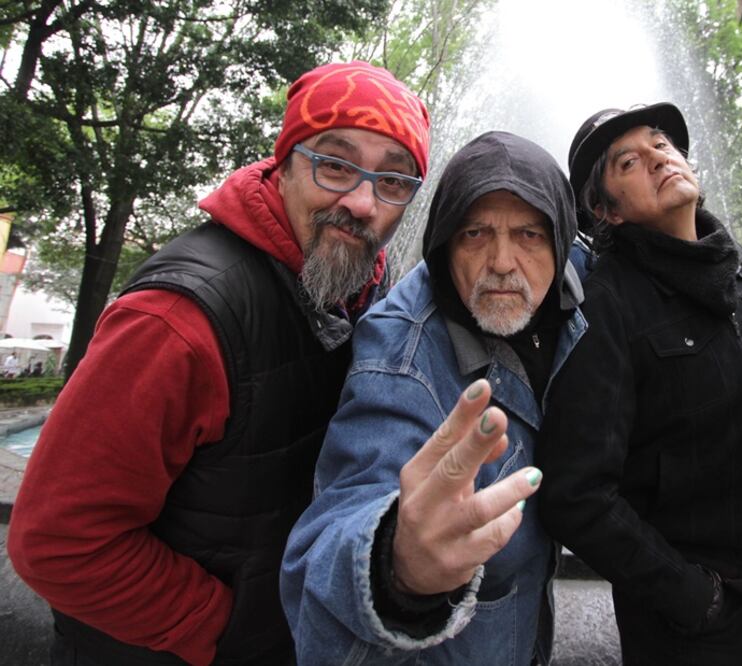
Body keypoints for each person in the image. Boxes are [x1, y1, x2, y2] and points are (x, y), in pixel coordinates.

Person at [7, 62, 430, 665]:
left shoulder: (354, 289)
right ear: (283, 164)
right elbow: (59, 541)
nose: (363, 203)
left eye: (393, 181)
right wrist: (228, 628)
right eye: (335, 164)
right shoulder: (177, 322)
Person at [280, 130, 585, 665]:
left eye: (529, 235)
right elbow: (344, 520)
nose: (503, 261)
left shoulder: (569, 292)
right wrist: (396, 569)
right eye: (475, 233)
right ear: (444, 243)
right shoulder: (400, 357)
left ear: (559, 242)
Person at [536, 103, 742, 665]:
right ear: (604, 210)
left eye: (661, 143)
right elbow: (576, 494)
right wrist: (690, 595)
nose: (658, 158)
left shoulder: (737, 271)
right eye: (629, 162)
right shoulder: (607, 306)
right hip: (689, 621)